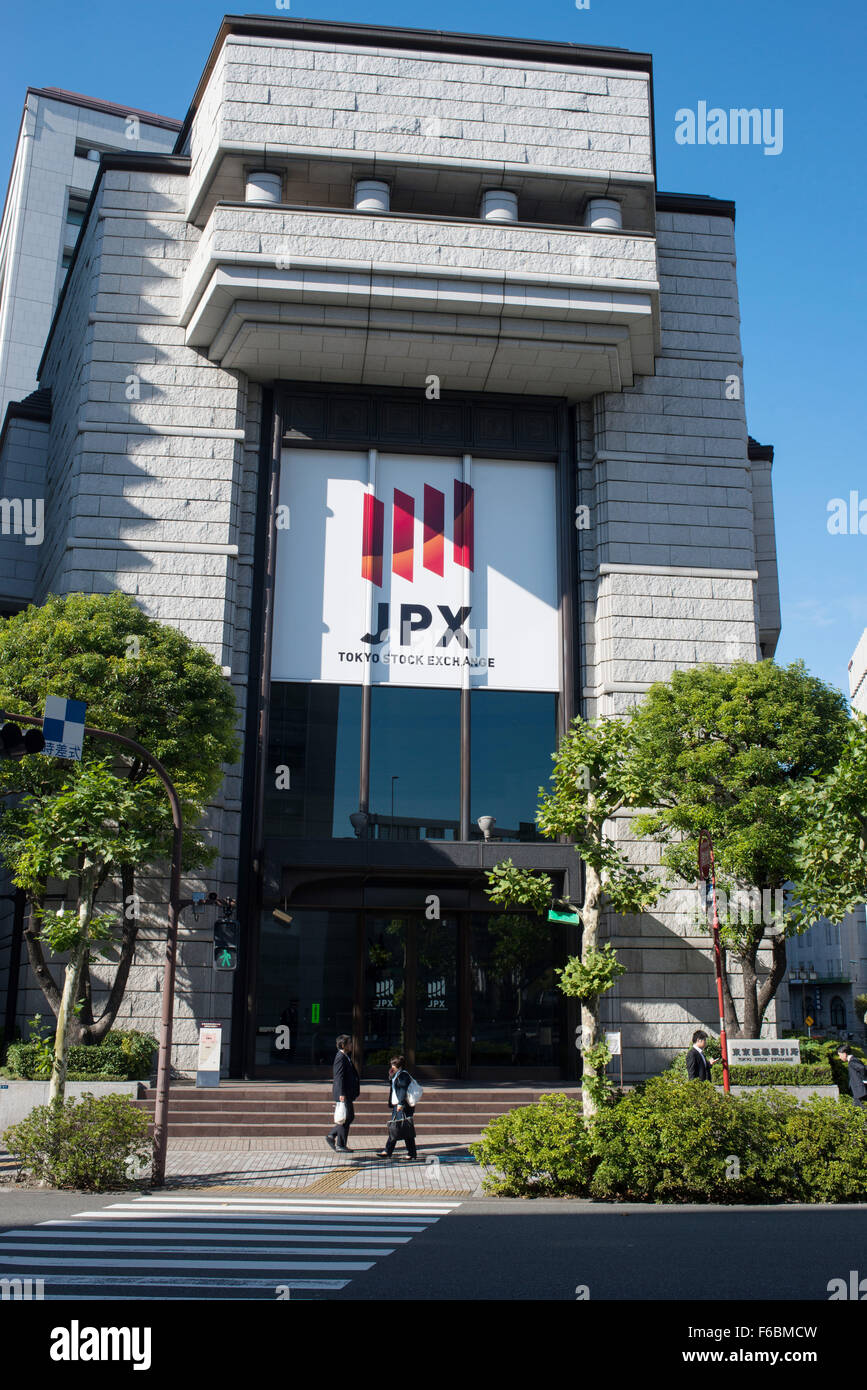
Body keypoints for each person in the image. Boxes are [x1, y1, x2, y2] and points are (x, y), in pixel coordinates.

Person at [378, 1055, 419, 1160]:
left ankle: (389, 1151)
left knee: (400, 1127)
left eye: (393, 1064)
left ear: (398, 1066)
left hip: (403, 1105)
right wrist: (391, 1076)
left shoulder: (403, 1075)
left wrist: (400, 1103)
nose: (392, 1066)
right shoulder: (398, 1074)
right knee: (400, 1127)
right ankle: (409, 1152)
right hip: (399, 1105)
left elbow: (402, 1090)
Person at [326, 1034, 360, 1152]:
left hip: (347, 1092)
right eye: (349, 1043)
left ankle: (332, 1136)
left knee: (348, 1117)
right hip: (343, 1093)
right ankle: (340, 1144)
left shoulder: (346, 1056)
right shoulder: (340, 1057)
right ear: (343, 1045)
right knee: (346, 1117)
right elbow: (338, 1076)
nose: (351, 1045)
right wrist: (341, 1093)